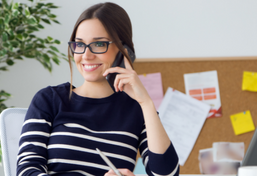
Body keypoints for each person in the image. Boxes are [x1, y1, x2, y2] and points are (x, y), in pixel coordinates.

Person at [16, 2, 179, 176]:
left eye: (99, 44)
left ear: (124, 51)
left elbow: (166, 174)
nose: (86, 55)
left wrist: (146, 103)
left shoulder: (136, 110)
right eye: (79, 44)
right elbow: (27, 170)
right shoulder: (49, 100)